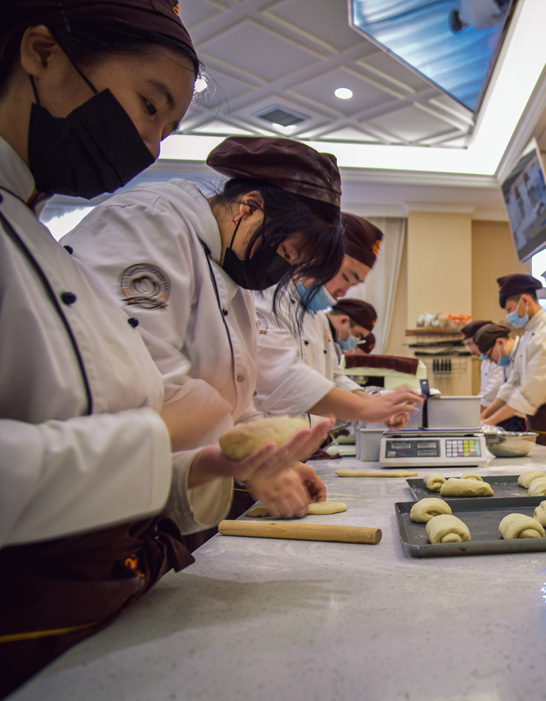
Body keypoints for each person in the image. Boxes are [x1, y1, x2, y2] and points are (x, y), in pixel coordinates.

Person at [0, 2, 322, 692]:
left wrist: (211, 463)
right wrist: (178, 439)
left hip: (109, 587)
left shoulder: (33, 235)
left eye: (167, 129)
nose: (149, 148)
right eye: (149, 107)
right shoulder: (147, 222)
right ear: (42, 53)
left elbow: (101, 418)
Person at [65, 134, 343, 522]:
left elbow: (237, 399)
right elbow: (140, 379)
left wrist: (272, 459)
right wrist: (249, 457)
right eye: (286, 253)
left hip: (175, 496)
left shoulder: (232, 275)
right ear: (249, 208)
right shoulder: (149, 224)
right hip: (101, 493)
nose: (282, 272)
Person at [253, 211, 421, 427]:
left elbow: (333, 376)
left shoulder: (319, 318)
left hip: (307, 438)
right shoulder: (267, 297)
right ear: (320, 256)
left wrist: (374, 404)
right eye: (346, 277)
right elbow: (281, 379)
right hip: (267, 436)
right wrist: (365, 408)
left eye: (354, 285)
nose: (344, 292)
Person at [480, 274, 546, 452]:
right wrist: (484, 416)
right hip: (537, 418)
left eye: (510, 309)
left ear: (525, 300)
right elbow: (512, 384)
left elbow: (531, 390)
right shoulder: (527, 336)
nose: (509, 316)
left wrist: (490, 421)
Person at [473, 322, 526, 432]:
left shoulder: (524, 353)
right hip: (514, 416)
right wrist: (483, 416)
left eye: (489, 355)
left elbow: (520, 397)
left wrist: (490, 421)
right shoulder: (508, 358)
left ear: (500, 342)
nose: (490, 361)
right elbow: (506, 392)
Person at [460, 319, 499, 411]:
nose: (471, 351)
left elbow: (493, 393)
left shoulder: (499, 359)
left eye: (470, 344)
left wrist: (470, 411)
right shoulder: (485, 361)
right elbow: (484, 393)